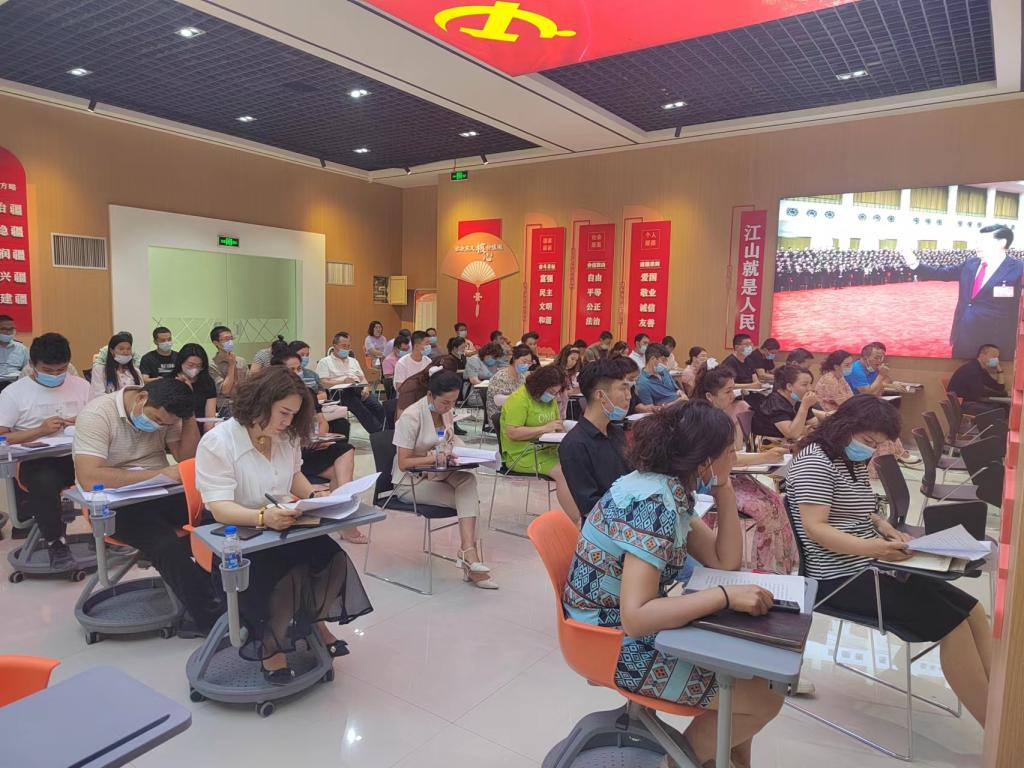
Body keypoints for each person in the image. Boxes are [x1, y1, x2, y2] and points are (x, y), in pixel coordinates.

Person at [563, 402, 784, 768]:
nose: (734, 457)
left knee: (753, 677)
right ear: (705, 459)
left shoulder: (666, 486)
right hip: (609, 642)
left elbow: (723, 561)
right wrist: (723, 596)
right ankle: (675, 764)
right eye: (729, 452)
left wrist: (724, 485)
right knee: (763, 698)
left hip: (617, 627)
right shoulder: (653, 505)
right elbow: (636, 617)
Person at [787, 395, 991, 726]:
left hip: (871, 564)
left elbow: (858, 508)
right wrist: (877, 550)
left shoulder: (846, 458)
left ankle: (1002, 706)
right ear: (845, 425)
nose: (870, 449)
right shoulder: (815, 462)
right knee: (952, 625)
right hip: (837, 578)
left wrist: (884, 527)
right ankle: (995, 732)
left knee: (973, 611)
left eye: (876, 444)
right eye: (868, 441)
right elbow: (816, 528)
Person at [196, 366, 372, 678]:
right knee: (287, 575)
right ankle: (271, 644)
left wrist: (317, 497)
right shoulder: (218, 442)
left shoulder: (285, 437)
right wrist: (261, 516)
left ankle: (314, 623)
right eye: (283, 413)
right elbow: (220, 507)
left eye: (293, 415)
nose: (288, 422)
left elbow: (293, 477)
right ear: (259, 402)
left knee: (333, 560)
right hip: (239, 533)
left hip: (283, 523)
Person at [73, 377, 222, 633]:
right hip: (113, 503)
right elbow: (89, 477)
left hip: (159, 491)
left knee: (220, 519)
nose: (159, 427)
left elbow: (187, 458)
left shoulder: (168, 414)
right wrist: (159, 474)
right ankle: (209, 619)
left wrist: (188, 418)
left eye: (166, 424)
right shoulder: (97, 414)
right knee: (165, 544)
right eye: (157, 420)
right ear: (141, 398)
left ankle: (230, 596)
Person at [392, 371, 497, 588]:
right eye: (445, 402)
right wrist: (436, 456)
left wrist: (461, 453)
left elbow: (449, 439)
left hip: (437, 471)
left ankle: (468, 552)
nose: (449, 407)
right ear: (430, 395)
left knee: (468, 481)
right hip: (411, 482)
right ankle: (471, 558)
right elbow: (403, 463)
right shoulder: (411, 417)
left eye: (453, 402)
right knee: (469, 501)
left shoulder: (445, 411)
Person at [694, 366, 799, 574]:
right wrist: (764, 457)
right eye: (727, 391)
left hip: (727, 477)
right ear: (709, 396)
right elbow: (726, 461)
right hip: (708, 483)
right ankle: (764, 567)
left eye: (733, 390)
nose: (733, 396)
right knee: (764, 509)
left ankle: (780, 564)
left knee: (775, 500)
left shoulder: (723, 417)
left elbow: (732, 455)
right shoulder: (703, 421)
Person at [0, 333, 91, 566]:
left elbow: (99, 421)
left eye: (61, 369)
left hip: (78, 456)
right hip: (36, 460)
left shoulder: (81, 386)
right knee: (45, 482)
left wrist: (82, 421)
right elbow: (2, 436)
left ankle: (117, 534)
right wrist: (39, 431)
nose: (56, 375)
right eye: (48, 371)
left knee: (114, 470)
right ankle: (55, 542)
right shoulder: (14, 393)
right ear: (32, 365)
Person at [902, 225, 1022, 358]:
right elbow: (941, 273)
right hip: (963, 336)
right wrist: (914, 263)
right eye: (977, 241)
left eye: (982, 241)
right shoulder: (970, 264)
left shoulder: (1019, 269)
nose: (977, 245)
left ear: (1002, 243)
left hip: (995, 342)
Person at [499, 365, 580, 520]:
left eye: (556, 393)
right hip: (522, 454)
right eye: (551, 392)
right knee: (563, 472)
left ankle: (587, 513)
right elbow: (513, 433)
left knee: (580, 464)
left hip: (548, 449)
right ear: (539, 386)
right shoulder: (519, 399)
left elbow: (557, 424)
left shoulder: (549, 400)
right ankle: (577, 521)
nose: (554, 396)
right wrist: (543, 428)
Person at [557, 359, 631, 522]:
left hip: (631, 514)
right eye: (623, 388)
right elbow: (590, 507)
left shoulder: (616, 432)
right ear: (600, 395)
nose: (629, 396)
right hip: (606, 526)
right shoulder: (575, 445)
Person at [316, 332, 385, 434]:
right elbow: (323, 382)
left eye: (348, 346)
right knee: (360, 408)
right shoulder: (325, 362)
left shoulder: (353, 361)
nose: (346, 349)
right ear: (335, 346)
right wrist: (342, 381)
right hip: (338, 392)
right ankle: (378, 433)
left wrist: (366, 388)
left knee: (377, 406)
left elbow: (362, 378)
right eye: (344, 346)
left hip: (357, 388)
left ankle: (386, 431)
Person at [752, 365, 818, 441]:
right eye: (804, 385)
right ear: (789, 386)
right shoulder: (775, 402)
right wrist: (804, 407)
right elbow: (792, 434)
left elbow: (815, 425)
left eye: (810, 384)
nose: (810, 389)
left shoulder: (798, 400)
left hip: (789, 443)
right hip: (768, 444)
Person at [948, 343, 1009, 415]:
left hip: (970, 402)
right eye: (993, 356)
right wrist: (1003, 394)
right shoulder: (972, 369)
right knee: (1001, 411)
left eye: (997, 358)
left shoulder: (981, 369)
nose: (996, 360)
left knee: (1003, 407)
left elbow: (999, 387)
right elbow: (979, 392)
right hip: (963, 405)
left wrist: (999, 370)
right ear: (982, 355)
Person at [172, 343, 218, 428]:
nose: (194, 369)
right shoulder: (170, 380)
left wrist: (208, 433)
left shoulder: (207, 382)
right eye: (190, 365)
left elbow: (210, 418)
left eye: (198, 366)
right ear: (181, 362)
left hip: (201, 428)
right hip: (175, 429)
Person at [486, 344, 533, 422]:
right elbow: (498, 401)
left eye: (529, 363)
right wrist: (521, 398)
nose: (526, 365)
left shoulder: (521, 377)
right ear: (514, 358)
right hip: (500, 417)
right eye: (524, 361)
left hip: (516, 412)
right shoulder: (500, 377)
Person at [210, 325, 248, 416]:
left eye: (231, 338)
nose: (230, 342)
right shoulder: (212, 365)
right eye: (226, 339)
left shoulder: (241, 361)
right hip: (225, 405)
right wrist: (231, 365)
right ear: (216, 343)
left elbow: (249, 384)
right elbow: (225, 390)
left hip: (244, 402)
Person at [91, 332, 143, 397]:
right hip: (108, 403)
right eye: (121, 349)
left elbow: (142, 392)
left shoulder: (136, 371)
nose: (125, 352)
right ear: (112, 351)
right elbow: (98, 395)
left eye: (128, 349)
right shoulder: (100, 369)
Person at [636, 343, 685, 408]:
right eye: (663, 360)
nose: (666, 363)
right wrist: (677, 402)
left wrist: (682, 394)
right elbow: (651, 410)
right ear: (653, 359)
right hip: (671, 411)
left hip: (683, 405)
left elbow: (677, 390)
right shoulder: (643, 383)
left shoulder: (664, 371)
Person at [552, 343, 583, 419]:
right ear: (565, 357)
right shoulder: (554, 371)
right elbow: (552, 394)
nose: (574, 362)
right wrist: (569, 392)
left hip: (563, 410)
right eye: (572, 359)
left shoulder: (571, 373)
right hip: (554, 410)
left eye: (576, 360)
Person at [0, 314, 28, 390]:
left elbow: (27, 369)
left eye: (11, 329)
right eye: (4, 329)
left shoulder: (21, 348)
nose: (8, 332)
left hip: (16, 384)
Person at [381, 335, 410, 401]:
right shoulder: (388, 360)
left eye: (407, 349)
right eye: (403, 350)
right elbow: (388, 378)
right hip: (398, 388)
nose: (406, 352)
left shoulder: (408, 358)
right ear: (395, 348)